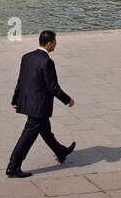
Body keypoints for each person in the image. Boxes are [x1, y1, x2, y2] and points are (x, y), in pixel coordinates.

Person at [5, 30, 75, 178]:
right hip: (38, 107)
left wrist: (15, 99)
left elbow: (21, 81)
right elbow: (53, 87)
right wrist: (68, 100)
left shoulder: (27, 57)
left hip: (29, 103)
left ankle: (60, 152)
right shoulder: (47, 62)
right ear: (49, 43)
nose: (56, 44)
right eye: (55, 42)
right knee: (26, 138)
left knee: (45, 130)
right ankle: (13, 167)